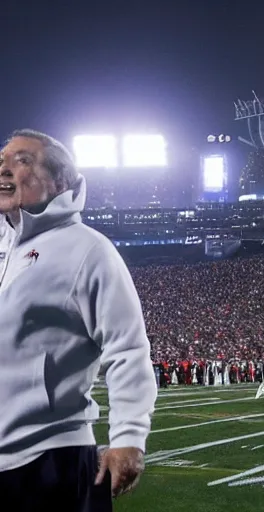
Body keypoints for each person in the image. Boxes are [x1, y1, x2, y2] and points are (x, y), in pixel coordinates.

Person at [0, 129, 158, 511]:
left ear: (61, 181)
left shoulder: (89, 249)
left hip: (52, 458)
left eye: (21, 161)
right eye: (0, 161)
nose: (3, 169)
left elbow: (128, 347)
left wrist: (129, 437)